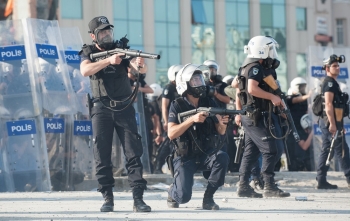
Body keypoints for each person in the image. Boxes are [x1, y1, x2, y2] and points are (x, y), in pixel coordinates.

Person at [79, 16, 151, 212]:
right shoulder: (89, 52)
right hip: (101, 108)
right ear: (93, 35)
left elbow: (139, 69)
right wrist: (108, 60)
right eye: (102, 32)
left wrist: (140, 64)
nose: (107, 34)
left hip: (124, 107)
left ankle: (138, 198)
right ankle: (107, 197)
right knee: (102, 155)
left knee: (133, 153)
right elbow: (85, 70)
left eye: (108, 31)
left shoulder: (121, 48)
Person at [232, 35, 290, 198]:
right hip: (256, 116)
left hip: (253, 115)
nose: (273, 53)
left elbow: (239, 91)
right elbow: (251, 89)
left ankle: (243, 186)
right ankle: (269, 185)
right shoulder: (255, 67)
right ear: (262, 50)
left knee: (251, 152)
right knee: (272, 150)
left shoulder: (250, 67)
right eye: (270, 49)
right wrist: (272, 97)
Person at [167, 64, 229, 210]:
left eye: (200, 79)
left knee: (222, 157)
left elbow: (220, 131)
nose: (199, 83)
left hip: (205, 154)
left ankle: (208, 198)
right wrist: (192, 120)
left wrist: (223, 123)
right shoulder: (178, 105)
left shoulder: (208, 102)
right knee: (183, 197)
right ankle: (172, 191)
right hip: (185, 157)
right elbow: (171, 133)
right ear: (185, 84)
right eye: (194, 80)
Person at [316, 54, 350, 189]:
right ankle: (348, 178)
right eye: (334, 66)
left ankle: (321, 180)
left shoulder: (333, 82)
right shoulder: (329, 83)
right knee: (341, 150)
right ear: (327, 68)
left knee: (328, 149)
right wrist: (333, 124)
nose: (337, 68)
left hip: (333, 122)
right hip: (330, 122)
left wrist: (338, 124)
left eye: (338, 65)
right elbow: (328, 104)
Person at [153, 65, 182, 174]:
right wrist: (166, 121)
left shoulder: (180, 87)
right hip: (170, 121)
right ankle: (158, 167)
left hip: (180, 122)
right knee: (166, 145)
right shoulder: (169, 88)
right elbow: (164, 107)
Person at [285, 77, 312, 171]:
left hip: (303, 128)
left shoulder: (305, 98)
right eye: (300, 87)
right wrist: (308, 96)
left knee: (304, 152)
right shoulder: (289, 98)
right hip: (293, 128)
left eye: (303, 87)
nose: (302, 89)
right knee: (293, 150)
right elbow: (295, 100)